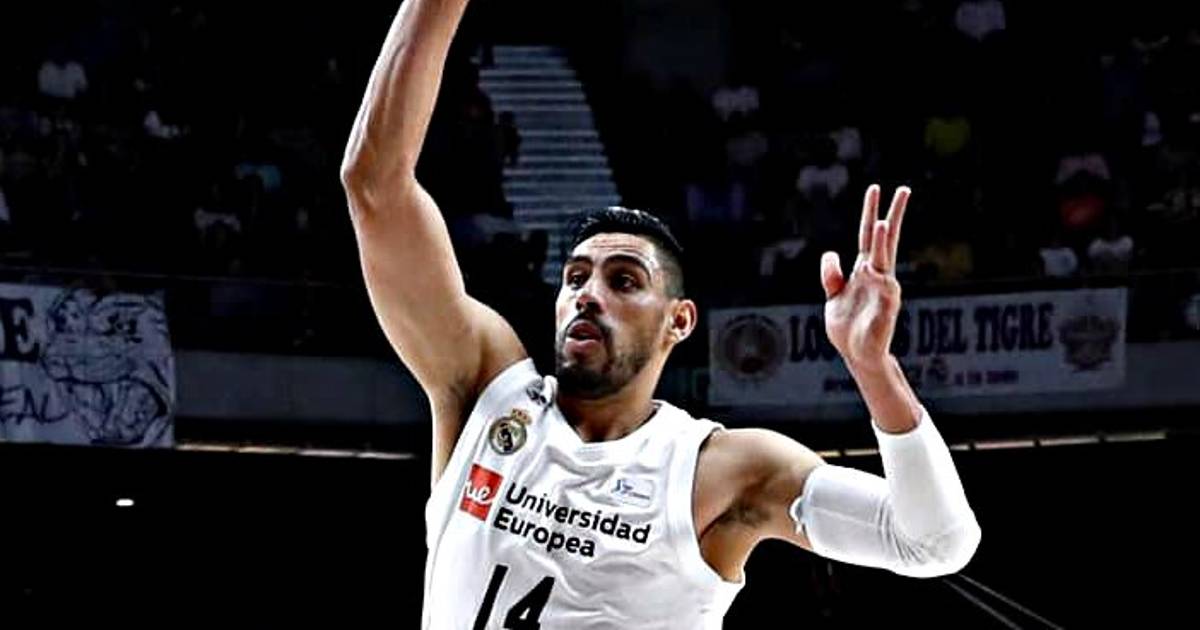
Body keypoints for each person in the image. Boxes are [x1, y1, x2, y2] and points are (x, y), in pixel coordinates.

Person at [339, 2, 981, 628]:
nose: (588, 294)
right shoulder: (486, 388)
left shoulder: (721, 470)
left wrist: (873, 369)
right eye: (575, 277)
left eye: (624, 280)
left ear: (679, 321)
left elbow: (932, 544)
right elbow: (374, 184)